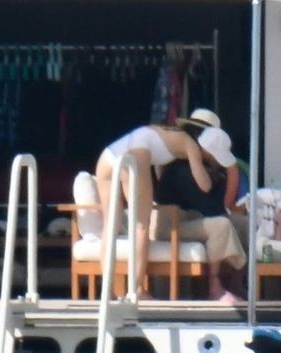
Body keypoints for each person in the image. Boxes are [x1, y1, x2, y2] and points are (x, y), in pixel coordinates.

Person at [93, 112, 224, 292]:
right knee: (141, 227)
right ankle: (137, 290)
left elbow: (160, 172)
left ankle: (108, 290)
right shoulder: (191, 145)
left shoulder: (168, 133)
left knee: (110, 225)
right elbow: (205, 186)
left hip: (109, 155)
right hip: (135, 154)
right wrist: (213, 171)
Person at [154, 117, 248, 302]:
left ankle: (237, 282)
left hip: (193, 218)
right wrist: (229, 176)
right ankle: (215, 288)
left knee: (243, 223)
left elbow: (216, 206)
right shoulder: (182, 169)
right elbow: (212, 209)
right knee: (221, 225)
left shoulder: (206, 169)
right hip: (173, 225)